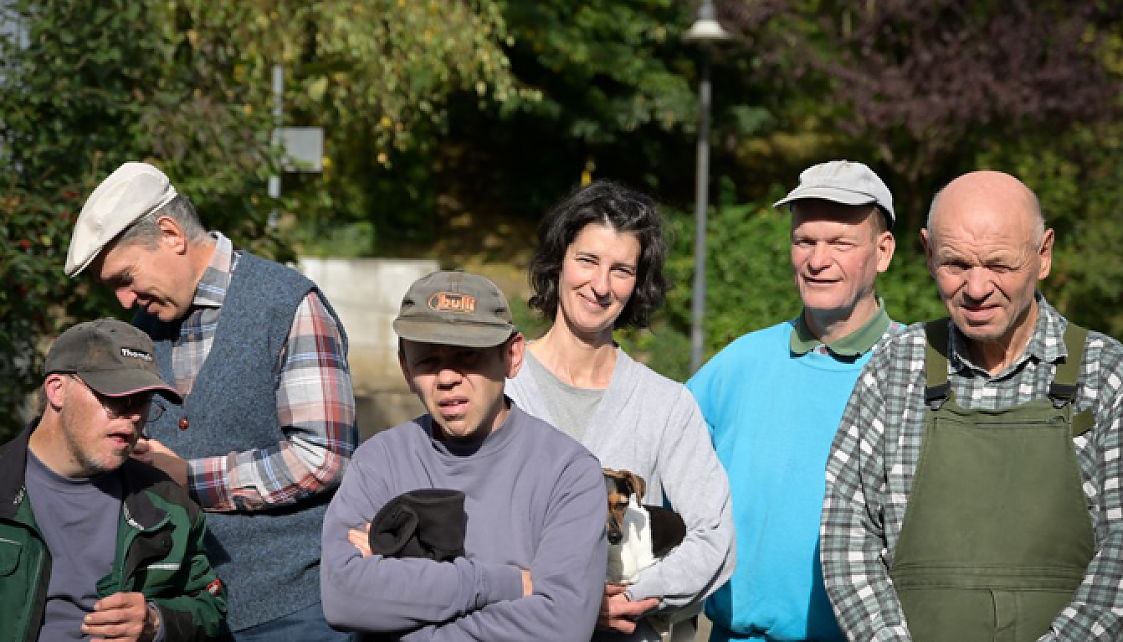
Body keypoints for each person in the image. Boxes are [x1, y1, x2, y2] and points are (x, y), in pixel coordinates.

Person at [821, 170, 1123, 641]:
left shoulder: (1108, 374)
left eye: (999, 265)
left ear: (1043, 255)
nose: (976, 288)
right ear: (928, 254)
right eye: (955, 264)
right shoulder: (894, 368)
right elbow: (847, 534)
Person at [65, 162, 357, 639]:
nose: (123, 300)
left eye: (125, 276)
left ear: (170, 234)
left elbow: (324, 458)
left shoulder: (287, 305)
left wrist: (188, 478)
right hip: (181, 611)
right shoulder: (141, 334)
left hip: (298, 610)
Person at [505, 180, 735, 642]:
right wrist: (573, 599)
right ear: (559, 261)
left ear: (639, 284)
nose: (601, 286)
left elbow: (715, 538)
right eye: (587, 260)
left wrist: (631, 596)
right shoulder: (501, 386)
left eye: (622, 270)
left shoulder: (666, 405)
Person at [320, 270, 608, 639]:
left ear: (512, 355)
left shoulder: (569, 473)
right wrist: (499, 582)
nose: (447, 377)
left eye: (468, 356)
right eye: (427, 360)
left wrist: (403, 616)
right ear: (406, 368)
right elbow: (344, 598)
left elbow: (561, 627)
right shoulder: (378, 462)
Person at [687, 160, 900, 641]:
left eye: (840, 243)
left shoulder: (911, 372)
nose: (817, 260)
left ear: (882, 252)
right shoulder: (737, 364)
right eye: (805, 240)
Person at [0, 318, 227, 641]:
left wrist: (155, 622)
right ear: (57, 390)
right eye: (116, 397)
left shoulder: (166, 506)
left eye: (143, 402)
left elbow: (209, 604)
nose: (133, 416)